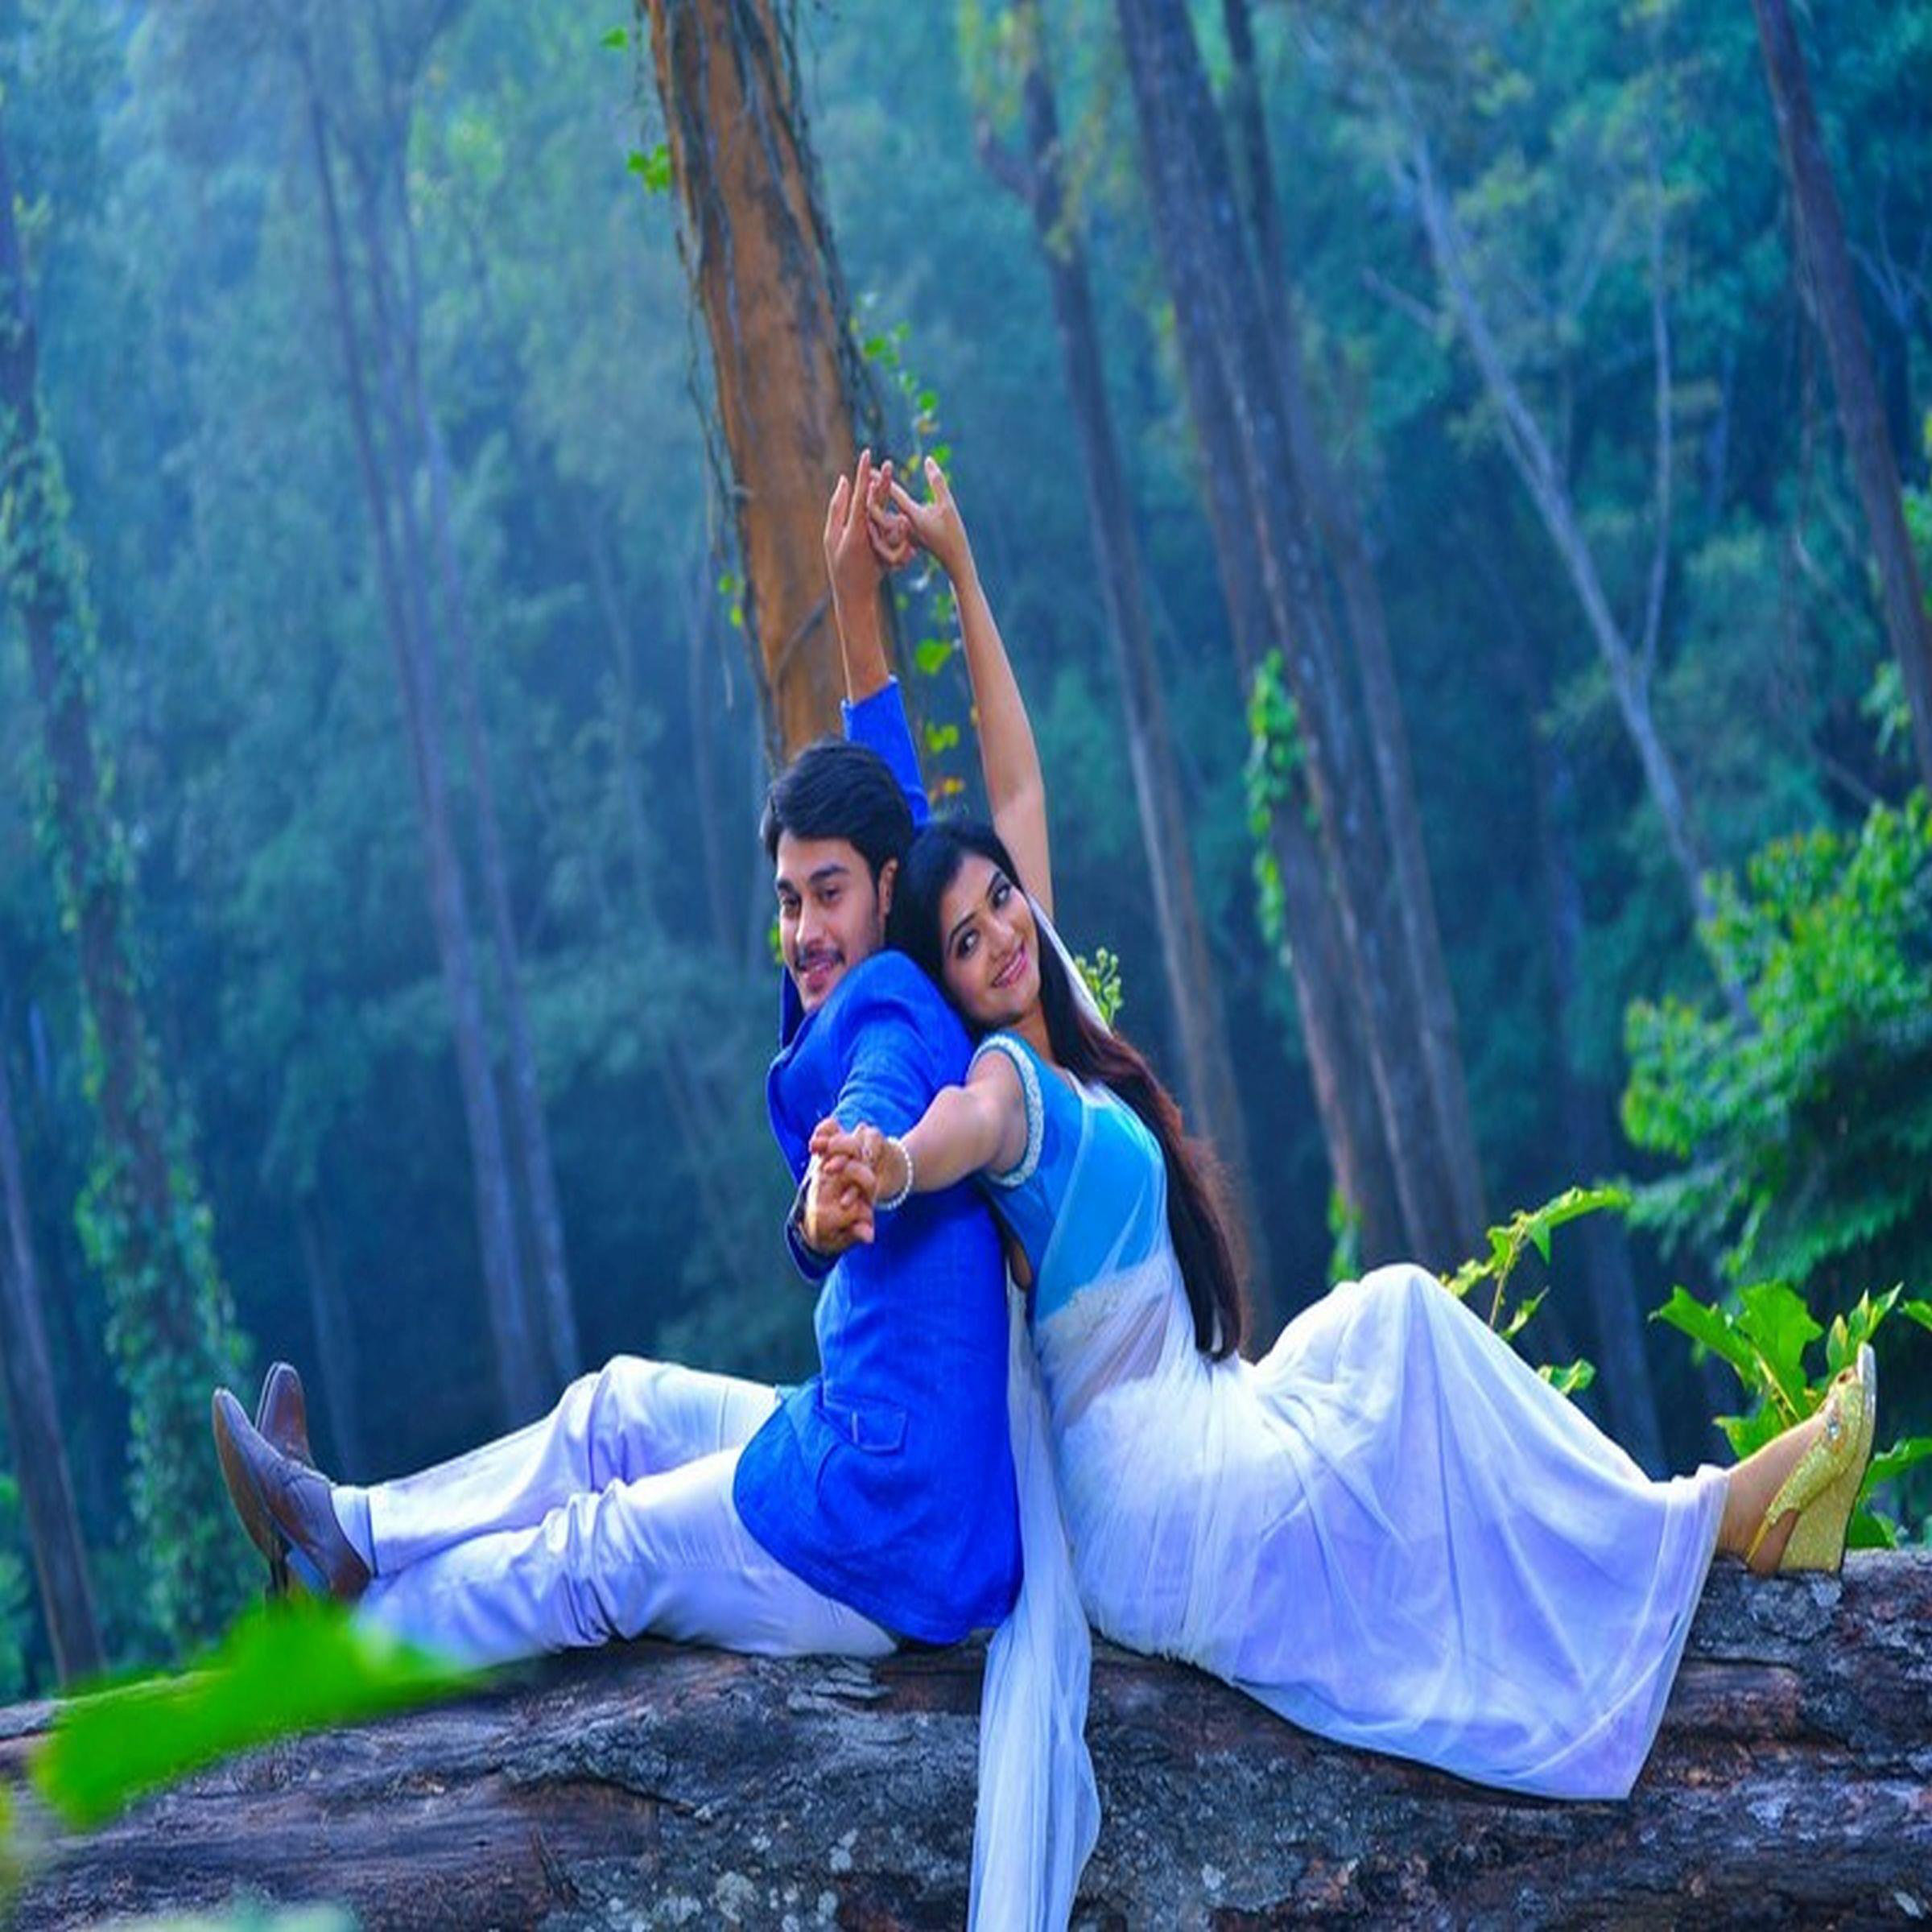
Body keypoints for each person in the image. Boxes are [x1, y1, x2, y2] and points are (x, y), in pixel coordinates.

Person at [803, 457, 1880, 1823]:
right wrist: (891, 1164)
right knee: (1400, 1376)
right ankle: (1717, 1522)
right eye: (965, 941)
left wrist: (949, 574)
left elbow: (1009, 783)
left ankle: (1689, 1522)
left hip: (1204, 1413)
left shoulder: (1051, 1002)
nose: (1002, 934)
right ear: (946, 981)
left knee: (1400, 1320)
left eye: (1004, 906)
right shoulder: (1002, 1078)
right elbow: (951, 1130)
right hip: (1153, 1493)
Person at [207, 452, 1021, 1672]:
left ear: (887, 888)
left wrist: (830, 1195)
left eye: (828, 895)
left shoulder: (895, 1018)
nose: (805, 930)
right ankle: (349, 1531)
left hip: (882, 1528)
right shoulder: (895, 934)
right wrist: (854, 598)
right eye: (788, 899)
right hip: (875, 1455)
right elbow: (888, 788)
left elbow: (868, 1125)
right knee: (614, 1409)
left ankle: (346, 1652)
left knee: (604, 1549)